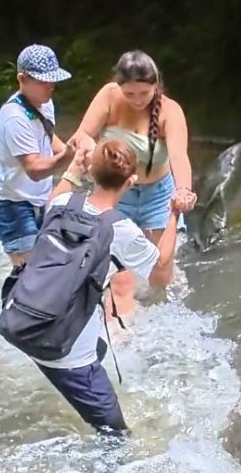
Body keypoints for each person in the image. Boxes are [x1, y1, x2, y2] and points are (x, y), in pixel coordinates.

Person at [1, 139, 176, 434]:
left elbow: (50, 206)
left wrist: (73, 169)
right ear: (131, 182)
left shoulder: (61, 204)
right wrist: (174, 214)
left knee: (102, 343)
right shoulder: (121, 230)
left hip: (21, 320)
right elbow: (161, 277)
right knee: (117, 436)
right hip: (66, 353)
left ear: (92, 173)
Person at [73, 50, 195, 315]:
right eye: (129, 94)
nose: (137, 100)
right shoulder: (108, 96)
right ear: (119, 86)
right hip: (115, 191)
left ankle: (160, 318)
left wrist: (184, 190)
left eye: (144, 93)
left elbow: (178, 156)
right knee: (113, 263)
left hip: (157, 193)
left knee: (160, 275)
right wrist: (87, 145)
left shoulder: (169, 111)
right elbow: (82, 134)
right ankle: (116, 316)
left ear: (155, 85)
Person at [0, 43, 77, 266]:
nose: (50, 86)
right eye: (42, 81)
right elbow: (34, 169)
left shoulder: (45, 104)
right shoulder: (15, 117)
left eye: (52, 80)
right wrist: (67, 159)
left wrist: (71, 152)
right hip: (10, 204)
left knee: (45, 264)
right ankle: (13, 300)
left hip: (38, 199)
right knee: (28, 271)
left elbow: (47, 134)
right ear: (22, 79)